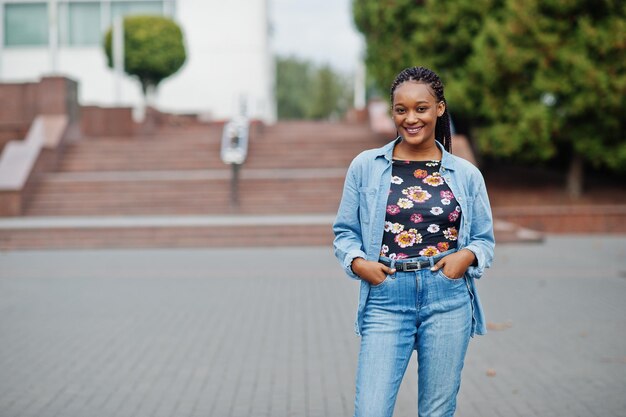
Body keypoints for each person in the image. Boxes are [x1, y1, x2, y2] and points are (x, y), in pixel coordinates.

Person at [333, 66, 495, 417]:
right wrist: (360, 264)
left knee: (437, 411)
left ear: (439, 108)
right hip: (386, 298)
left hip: (448, 298)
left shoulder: (465, 175)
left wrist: (464, 257)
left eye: (421, 108)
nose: (411, 118)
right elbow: (344, 232)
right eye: (401, 109)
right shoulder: (366, 166)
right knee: (371, 409)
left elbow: (484, 239)